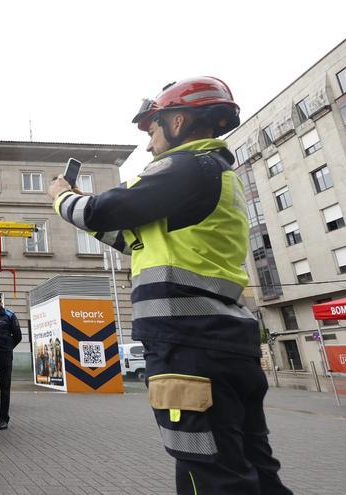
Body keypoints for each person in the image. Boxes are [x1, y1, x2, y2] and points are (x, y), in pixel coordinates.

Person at [47, 76, 291, 494]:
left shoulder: (187, 165)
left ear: (178, 120)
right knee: (251, 468)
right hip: (221, 343)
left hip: (190, 346)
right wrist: (91, 220)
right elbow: (130, 237)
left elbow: (106, 209)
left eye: (152, 129)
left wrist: (62, 198)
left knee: (208, 474)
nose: (147, 144)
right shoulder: (210, 176)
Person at [0, 291, 21, 430]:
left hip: (4, 357)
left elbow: (18, 336)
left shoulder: (9, 315)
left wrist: (7, 347)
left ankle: (3, 419)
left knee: (4, 388)